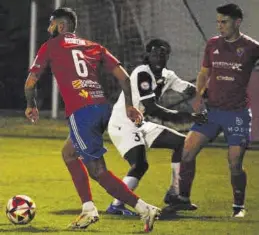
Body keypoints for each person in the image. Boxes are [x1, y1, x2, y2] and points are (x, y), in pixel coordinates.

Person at [24, 7, 161, 232]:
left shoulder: (50, 46)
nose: (48, 29)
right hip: (101, 107)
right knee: (69, 153)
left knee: (98, 171)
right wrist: (129, 106)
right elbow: (125, 78)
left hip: (82, 112)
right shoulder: (93, 46)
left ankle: (144, 208)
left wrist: (31, 105)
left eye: (51, 24)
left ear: (61, 26)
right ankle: (88, 209)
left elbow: (31, 82)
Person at [169, 3, 259, 218]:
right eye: (218, 22)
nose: (220, 26)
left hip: (237, 114)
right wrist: (199, 96)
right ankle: (183, 199)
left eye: (224, 22)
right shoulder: (212, 44)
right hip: (211, 111)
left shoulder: (252, 47)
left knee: (235, 163)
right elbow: (203, 73)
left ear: (237, 22)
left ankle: (238, 206)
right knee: (187, 151)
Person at [105, 38, 208, 216]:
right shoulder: (142, 73)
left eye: (162, 53)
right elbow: (152, 108)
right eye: (154, 53)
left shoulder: (168, 75)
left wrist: (210, 91)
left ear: (168, 56)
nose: (158, 56)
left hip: (140, 123)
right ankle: (116, 206)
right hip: (123, 123)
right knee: (140, 164)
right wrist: (189, 117)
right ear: (147, 55)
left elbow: (190, 90)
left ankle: (175, 192)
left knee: (182, 143)